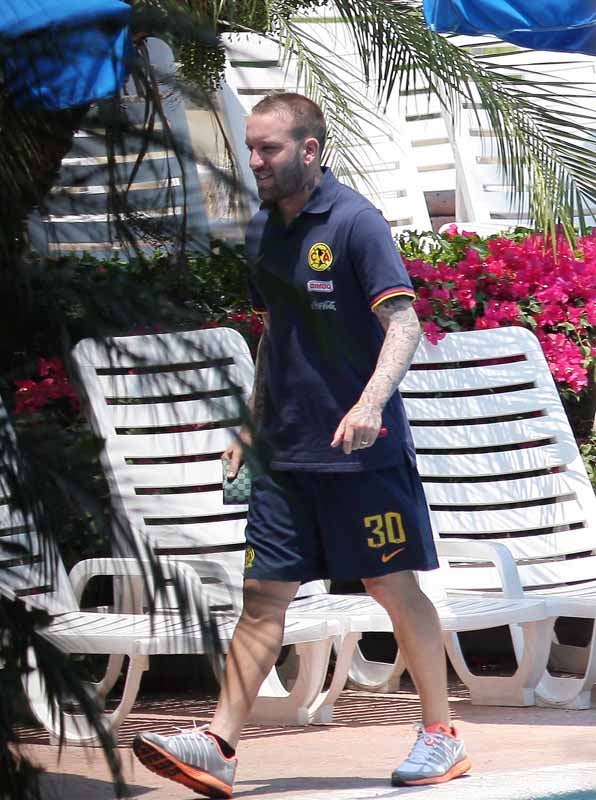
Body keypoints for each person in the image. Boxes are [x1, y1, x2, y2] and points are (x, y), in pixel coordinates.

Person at [132, 92, 471, 798]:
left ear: (309, 149)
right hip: (286, 454)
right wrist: (250, 426)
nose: (254, 160)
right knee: (262, 596)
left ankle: (441, 734)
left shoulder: (355, 223)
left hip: (361, 453)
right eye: (250, 147)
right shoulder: (265, 227)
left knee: (392, 586)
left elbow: (404, 324)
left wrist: (370, 404)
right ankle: (219, 746)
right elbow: (275, 336)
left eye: (269, 148)